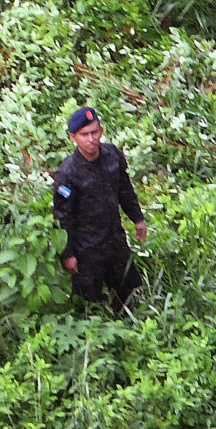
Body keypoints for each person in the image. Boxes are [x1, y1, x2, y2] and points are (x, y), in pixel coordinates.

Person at [52, 107, 149, 311]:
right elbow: (62, 217)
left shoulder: (112, 155)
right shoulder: (67, 174)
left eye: (94, 132)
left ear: (101, 131)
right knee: (89, 303)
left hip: (115, 239)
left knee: (128, 288)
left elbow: (125, 190)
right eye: (84, 134)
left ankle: (128, 331)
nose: (91, 139)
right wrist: (67, 254)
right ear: (73, 137)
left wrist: (138, 219)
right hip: (87, 248)